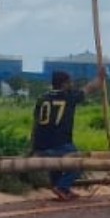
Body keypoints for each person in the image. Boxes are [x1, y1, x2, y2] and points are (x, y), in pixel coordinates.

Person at [30, 70, 100, 200]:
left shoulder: (42, 98)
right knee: (79, 162)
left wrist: (33, 147)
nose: (72, 84)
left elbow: (35, 124)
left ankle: (59, 186)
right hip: (61, 145)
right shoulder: (68, 97)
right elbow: (89, 88)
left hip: (41, 146)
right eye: (70, 82)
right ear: (64, 84)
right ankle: (61, 187)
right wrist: (101, 77)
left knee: (56, 162)